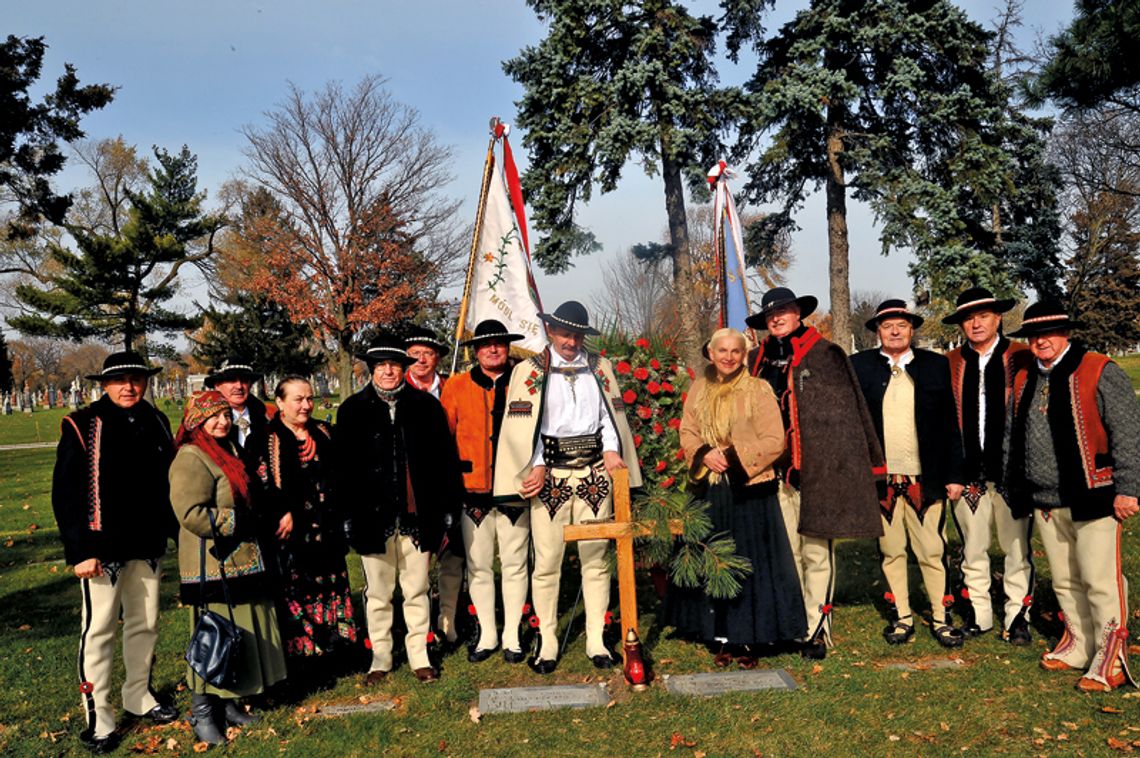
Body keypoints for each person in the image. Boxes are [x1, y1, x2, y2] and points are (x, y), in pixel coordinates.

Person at [493, 300, 642, 674]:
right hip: (552, 476)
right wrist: (537, 464)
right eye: (564, 333)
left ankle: (595, 638)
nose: (571, 341)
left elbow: (610, 416)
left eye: (577, 335)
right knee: (547, 562)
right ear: (551, 331)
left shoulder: (600, 368)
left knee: (595, 560)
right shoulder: (528, 371)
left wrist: (611, 451)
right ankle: (547, 639)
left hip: (594, 473)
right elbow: (525, 426)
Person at [1006, 300, 1140, 691]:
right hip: (1045, 498)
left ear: (1066, 333)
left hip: (1094, 494)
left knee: (1099, 578)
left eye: (1047, 333)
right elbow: (1014, 436)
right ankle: (1080, 643)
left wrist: (1130, 488)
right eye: (1032, 335)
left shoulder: (1099, 369)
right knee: (1064, 579)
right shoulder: (1026, 376)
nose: (1039, 341)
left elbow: (1128, 434)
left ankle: (1111, 655)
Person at [746, 287, 885, 660]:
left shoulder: (824, 355)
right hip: (768, 476)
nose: (777, 318)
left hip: (815, 472)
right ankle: (791, 622)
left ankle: (816, 628)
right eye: (770, 314)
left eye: (784, 311)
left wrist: (839, 465)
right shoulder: (755, 360)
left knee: (816, 553)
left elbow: (845, 417)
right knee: (785, 552)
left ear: (798, 314)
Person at [51, 351, 179, 753]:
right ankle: (99, 716)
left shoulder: (156, 421)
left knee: (146, 624)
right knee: (100, 630)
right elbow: (66, 493)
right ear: (104, 384)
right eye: (120, 380)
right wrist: (79, 551)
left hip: (146, 543)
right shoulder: (82, 424)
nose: (129, 387)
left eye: (137, 379)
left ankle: (138, 694)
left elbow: (167, 482)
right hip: (101, 548)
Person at [669, 328, 806, 664]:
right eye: (722, 351)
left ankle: (751, 637)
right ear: (711, 354)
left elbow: (775, 440)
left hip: (750, 489)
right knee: (713, 557)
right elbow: (687, 431)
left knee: (749, 562)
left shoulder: (758, 390)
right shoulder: (699, 388)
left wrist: (729, 457)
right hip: (709, 489)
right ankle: (719, 634)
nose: (728, 357)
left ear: (744, 355)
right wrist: (703, 453)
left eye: (735, 351)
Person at [336, 332, 464, 684]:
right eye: (381, 365)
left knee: (417, 589)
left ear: (403, 368)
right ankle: (380, 659)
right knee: (378, 593)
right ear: (371, 370)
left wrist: (448, 508)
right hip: (371, 518)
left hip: (417, 517)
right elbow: (342, 472)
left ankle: (420, 655)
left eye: (394, 364)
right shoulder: (352, 411)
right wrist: (347, 516)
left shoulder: (426, 407)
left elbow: (445, 463)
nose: (388, 371)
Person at [169, 391, 287, 746]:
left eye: (225, 415)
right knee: (213, 637)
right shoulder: (190, 457)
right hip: (211, 561)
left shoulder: (227, 449)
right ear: (196, 421)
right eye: (213, 417)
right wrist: (239, 521)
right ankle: (202, 711)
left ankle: (230, 702)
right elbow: (190, 513)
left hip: (240, 557)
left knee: (240, 630)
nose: (222, 422)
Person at [852, 300, 966, 648]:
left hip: (924, 477)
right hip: (882, 479)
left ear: (912, 329)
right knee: (891, 550)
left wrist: (954, 474)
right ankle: (902, 617)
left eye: (901, 324)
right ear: (877, 332)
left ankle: (941, 616)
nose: (896, 331)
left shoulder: (934, 365)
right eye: (888, 326)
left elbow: (950, 423)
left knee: (932, 550)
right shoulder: (859, 366)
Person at [942, 287, 1035, 644]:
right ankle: (979, 614)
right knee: (973, 548)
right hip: (968, 476)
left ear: (998, 318)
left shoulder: (1021, 357)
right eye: (968, 317)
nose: (976, 323)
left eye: (983, 315)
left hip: (1011, 474)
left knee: (1016, 549)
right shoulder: (951, 362)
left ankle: (1017, 617)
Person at [440, 319, 530, 664]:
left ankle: (512, 634)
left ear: (507, 348)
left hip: (514, 490)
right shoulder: (457, 387)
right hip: (472, 491)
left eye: (500, 343)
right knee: (478, 565)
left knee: (514, 563)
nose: (493, 349)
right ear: (475, 350)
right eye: (486, 344)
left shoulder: (524, 384)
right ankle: (488, 632)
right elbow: (445, 440)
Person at [261, 375, 358, 682]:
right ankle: (304, 663)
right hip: (293, 535)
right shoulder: (268, 438)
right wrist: (281, 511)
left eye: (309, 399)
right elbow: (261, 484)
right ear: (279, 402)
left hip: (327, 531)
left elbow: (345, 474)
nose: (305, 406)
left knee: (332, 590)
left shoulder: (324, 431)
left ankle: (337, 653)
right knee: (297, 593)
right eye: (297, 399)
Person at [404, 324, 465, 649]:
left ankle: (448, 621)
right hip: (415, 489)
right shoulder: (399, 391)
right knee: (417, 560)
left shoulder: (453, 387)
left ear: (438, 358)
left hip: (451, 481)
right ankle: (419, 626)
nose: (422, 360)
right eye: (414, 355)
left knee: (453, 556)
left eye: (428, 354)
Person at [204, 357, 274, 465]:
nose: (239, 386)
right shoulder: (204, 422)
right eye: (231, 380)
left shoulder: (269, 415)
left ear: (250, 384)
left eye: (245, 380)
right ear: (217, 385)